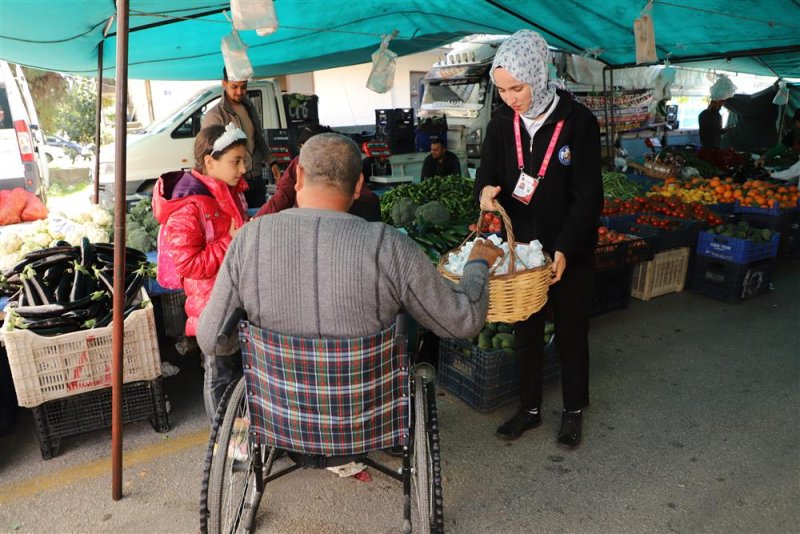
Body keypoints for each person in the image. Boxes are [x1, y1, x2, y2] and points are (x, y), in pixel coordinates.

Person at [197, 132, 502, 369]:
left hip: (280, 415)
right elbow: (463, 321)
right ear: (358, 186)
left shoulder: (248, 239)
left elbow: (212, 340)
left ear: (299, 177)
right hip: (366, 415)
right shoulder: (390, 246)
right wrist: (477, 264)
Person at [474, 30, 603, 450]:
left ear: (538, 75)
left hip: (569, 249)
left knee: (570, 331)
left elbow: (588, 197)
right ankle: (528, 409)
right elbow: (487, 173)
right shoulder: (501, 123)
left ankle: (572, 411)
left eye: (517, 87)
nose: (510, 97)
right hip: (522, 251)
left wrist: (565, 247)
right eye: (502, 89)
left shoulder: (579, 123)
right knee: (525, 331)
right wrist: (485, 193)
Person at [152, 123, 250, 423]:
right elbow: (188, 265)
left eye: (244, 160)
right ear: (210, 161)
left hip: (236, 298)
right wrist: (229, 241)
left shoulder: (230, 194)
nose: (243, 168)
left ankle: (244, 432)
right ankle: (224, 438)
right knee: (219, 371)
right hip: (211, 306)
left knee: (239, 370)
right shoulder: (189, 207)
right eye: (236, 161)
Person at [255, 125, 382, 222]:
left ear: (299, 175)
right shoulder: (346, 158)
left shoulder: (301, 162)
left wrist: (254, 222)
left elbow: (282, 196)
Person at [202, 68, 275, 208]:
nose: (240, 92)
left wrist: (272, 162)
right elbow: (211, 156)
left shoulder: (249, 107)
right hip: (234, 184)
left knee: (257, 220)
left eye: (243, 87)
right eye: (234, 87)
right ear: (224, 83)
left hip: (256, 178)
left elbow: (258, 138)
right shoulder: (215, 115)